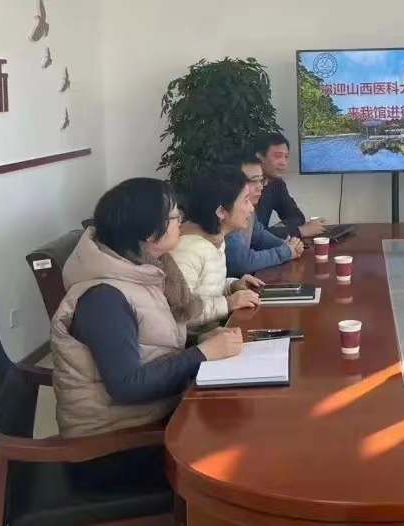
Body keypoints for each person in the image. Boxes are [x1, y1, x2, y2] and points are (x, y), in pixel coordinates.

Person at [50, 177, 243, 441]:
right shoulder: (104, 298)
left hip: (152, 414)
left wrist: (200, 340)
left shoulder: (145, 272)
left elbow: (151, 343)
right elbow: (127, 387)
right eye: (175, 216)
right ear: (151, 233)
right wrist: (201, 354)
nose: (181, 221)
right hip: (114, 441)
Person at [171, 165, 265, 332]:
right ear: (221, 211)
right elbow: (178, 313)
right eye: (245, 200)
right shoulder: (186, 250)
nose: (251, 208)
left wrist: (232, 285)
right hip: (196, 343)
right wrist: (228, 303)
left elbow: (205, 290)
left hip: (216, 334)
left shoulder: (215, 240)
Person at [224, 154, 304, 277]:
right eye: (254, 181)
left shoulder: (249, 210)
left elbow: (259, 236)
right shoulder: (229, 215)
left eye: (261, 180)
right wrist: (285, 252)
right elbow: (241, 263)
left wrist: (288, 245)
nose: (261, 187)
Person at [254, 132, 326, 238]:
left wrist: (281, 230)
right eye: (278, 156)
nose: (283, 162)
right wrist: (298, 232)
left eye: (286, 157)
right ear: (259, 157)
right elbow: (250, 237)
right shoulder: (242, 187)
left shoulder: (276, 183)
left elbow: (297, 217)